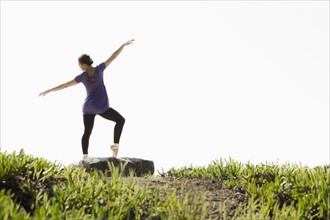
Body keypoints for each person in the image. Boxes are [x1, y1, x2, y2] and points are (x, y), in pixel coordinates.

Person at [39, 39, 134, 162]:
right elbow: (113, 56)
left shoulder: (82, 77)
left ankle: (85, 156)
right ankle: (115, 146)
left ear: (84, 65)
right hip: (101, 106)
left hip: (88, 107)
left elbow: (66, 85)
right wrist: (123, 45)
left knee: (87, 132)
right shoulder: (99, 69)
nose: (79, 66)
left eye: (79, 64)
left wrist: (50, 90)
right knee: (120, 120)